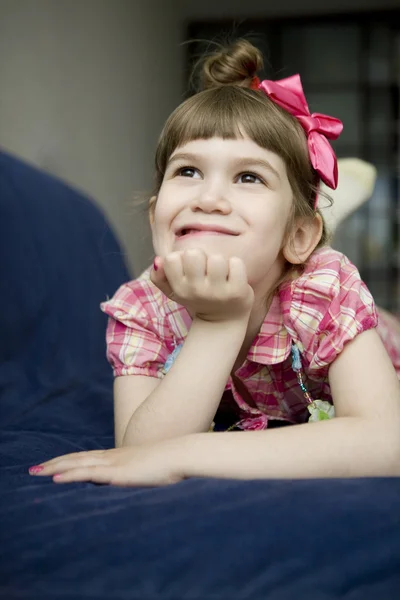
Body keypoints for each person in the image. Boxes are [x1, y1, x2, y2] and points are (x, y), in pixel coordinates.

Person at [29, 39, 400, 485]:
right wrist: (218, 322)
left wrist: (191, 452)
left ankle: (323, 214)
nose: (208, 198)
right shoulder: (143, 307)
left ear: (299, 238)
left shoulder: (323, 288)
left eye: (248, 177)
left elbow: (386, 441)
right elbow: (142, 455)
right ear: (155, 218)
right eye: (187, 172)